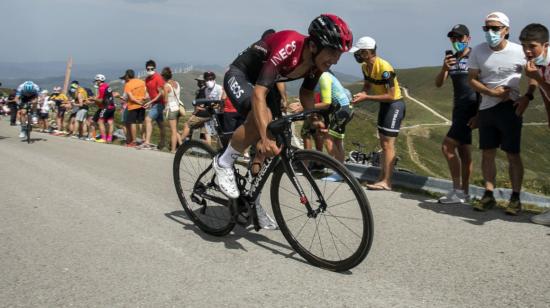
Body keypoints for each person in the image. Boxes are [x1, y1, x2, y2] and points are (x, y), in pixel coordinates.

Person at [213, 14, 353, 229]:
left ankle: (252, 200)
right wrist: (263, 135)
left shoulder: (316, 64)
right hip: (240, 75)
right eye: (333, 52)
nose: (335, 59)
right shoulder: (290, 45)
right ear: (314, 45)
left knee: (273, 142)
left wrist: (312, 119)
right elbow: (259, 94)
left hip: (264, 84)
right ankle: (224, 161)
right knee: (261, 120)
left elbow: (306, 94)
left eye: (339, 54)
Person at [468, 12, 533, 215]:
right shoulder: (478, 51)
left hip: (510, 108)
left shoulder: (519, 51)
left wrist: (527, 97)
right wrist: (489, 92)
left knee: (513, 154)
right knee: (487, 153)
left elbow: (532, 75)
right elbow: (472, 79)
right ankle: (489, 194)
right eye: (487, 28)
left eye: (495, 28)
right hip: (487, 107)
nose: (490, 32)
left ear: (506, 30)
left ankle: (515, 198)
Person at [351, 36, 406, 191]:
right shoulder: (364, 67)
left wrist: (366, 97)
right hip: (385, 105)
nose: (357, 55)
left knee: (388, 144)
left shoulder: (385, 68)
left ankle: (387, 182)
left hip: (394, 105)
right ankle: (382, 178)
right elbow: (367, 86)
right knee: (383, 144)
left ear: (368, 52)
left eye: (360, 52)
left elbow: (390, 95)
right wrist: (361, 94)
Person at [434, 24, 479, 204]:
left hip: (470, 107)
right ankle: (465, 193)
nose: (456, 41)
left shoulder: (475, 57)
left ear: (468, 38)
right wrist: (444, 68)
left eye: (459, 38)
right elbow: (438, 83)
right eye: (453, 38)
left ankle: (457, 191)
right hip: (458, 108)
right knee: (464, 151)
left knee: (447, 147)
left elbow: (481, 84)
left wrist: (479, 113)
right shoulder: (450, 58)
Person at [519, 23, 550, 225]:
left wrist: (536, 77)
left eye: (532, 46)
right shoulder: (538, 62)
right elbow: (545, 92)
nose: (528, 51)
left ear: (546, 45)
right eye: (524, 46)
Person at [180, 71, 224, 144]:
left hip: (214, 114)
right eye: (207, 79)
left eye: (211, 79)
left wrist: (194, 114)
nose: (209, 81)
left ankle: (181, 142)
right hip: (209, 113)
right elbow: (206, 102)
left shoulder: (219, 88)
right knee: (208, 134)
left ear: (214, 79)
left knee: (188, 125)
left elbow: (221, 102)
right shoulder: (206, 90)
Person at [141, 60, 166, 150]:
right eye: (148, 68)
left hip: (159, 103)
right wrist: (145, 99)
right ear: (146, 69)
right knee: (161, 124)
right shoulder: (147, 79)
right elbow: (149, 92)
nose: (150, 70)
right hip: (154, 103)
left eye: (152, 68)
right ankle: (162, 143)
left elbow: (161, 93)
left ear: (155, 68)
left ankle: (147, 142)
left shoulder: (158, 78)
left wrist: (150, 102)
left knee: (148, 120)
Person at [120, 69, 147, 147]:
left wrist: (138, 102)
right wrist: (143, 102)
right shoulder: (142, 82)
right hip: (142, 105)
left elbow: (131, 98)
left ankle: (134, 141)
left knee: (132, 123)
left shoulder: (128, 84)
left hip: (133, 106)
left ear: (127, 76)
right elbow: (146, 93)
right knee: (141, 122)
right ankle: (143, 139)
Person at [88, 74, 116, 143]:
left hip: (106, 106)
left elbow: (101, 100)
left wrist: (93, 99)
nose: (96, 82)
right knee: (110, 122)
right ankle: (109, 139)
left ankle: (103, 138)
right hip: (112, 106)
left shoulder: (102, 88)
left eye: (96, 81)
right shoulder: (107, 86)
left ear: (99, 80)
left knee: (100, 121)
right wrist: (94, 99)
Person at [161, 67, 183, 153]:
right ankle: (181, 146)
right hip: (178, 108)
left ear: (163, 76)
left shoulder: (166, 86)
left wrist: (164, 108)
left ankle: (173, 149)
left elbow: (166, 100)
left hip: (171, 109)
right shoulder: (176, 83)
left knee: (173, 131)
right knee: (176, 129)